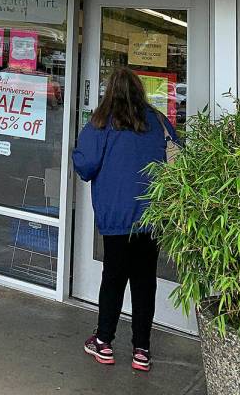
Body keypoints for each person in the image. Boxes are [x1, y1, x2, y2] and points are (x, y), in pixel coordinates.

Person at [72, 66, 178, 373]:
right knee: (145, 283)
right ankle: (141, 350)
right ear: (140, 91)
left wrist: (75, 155)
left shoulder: (102, 122)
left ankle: (104, 342)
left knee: (113, 278)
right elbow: (178, 156)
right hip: (150, 216)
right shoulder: (157, 120)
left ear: (109, 91)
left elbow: (87, 164)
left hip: (116, 217)